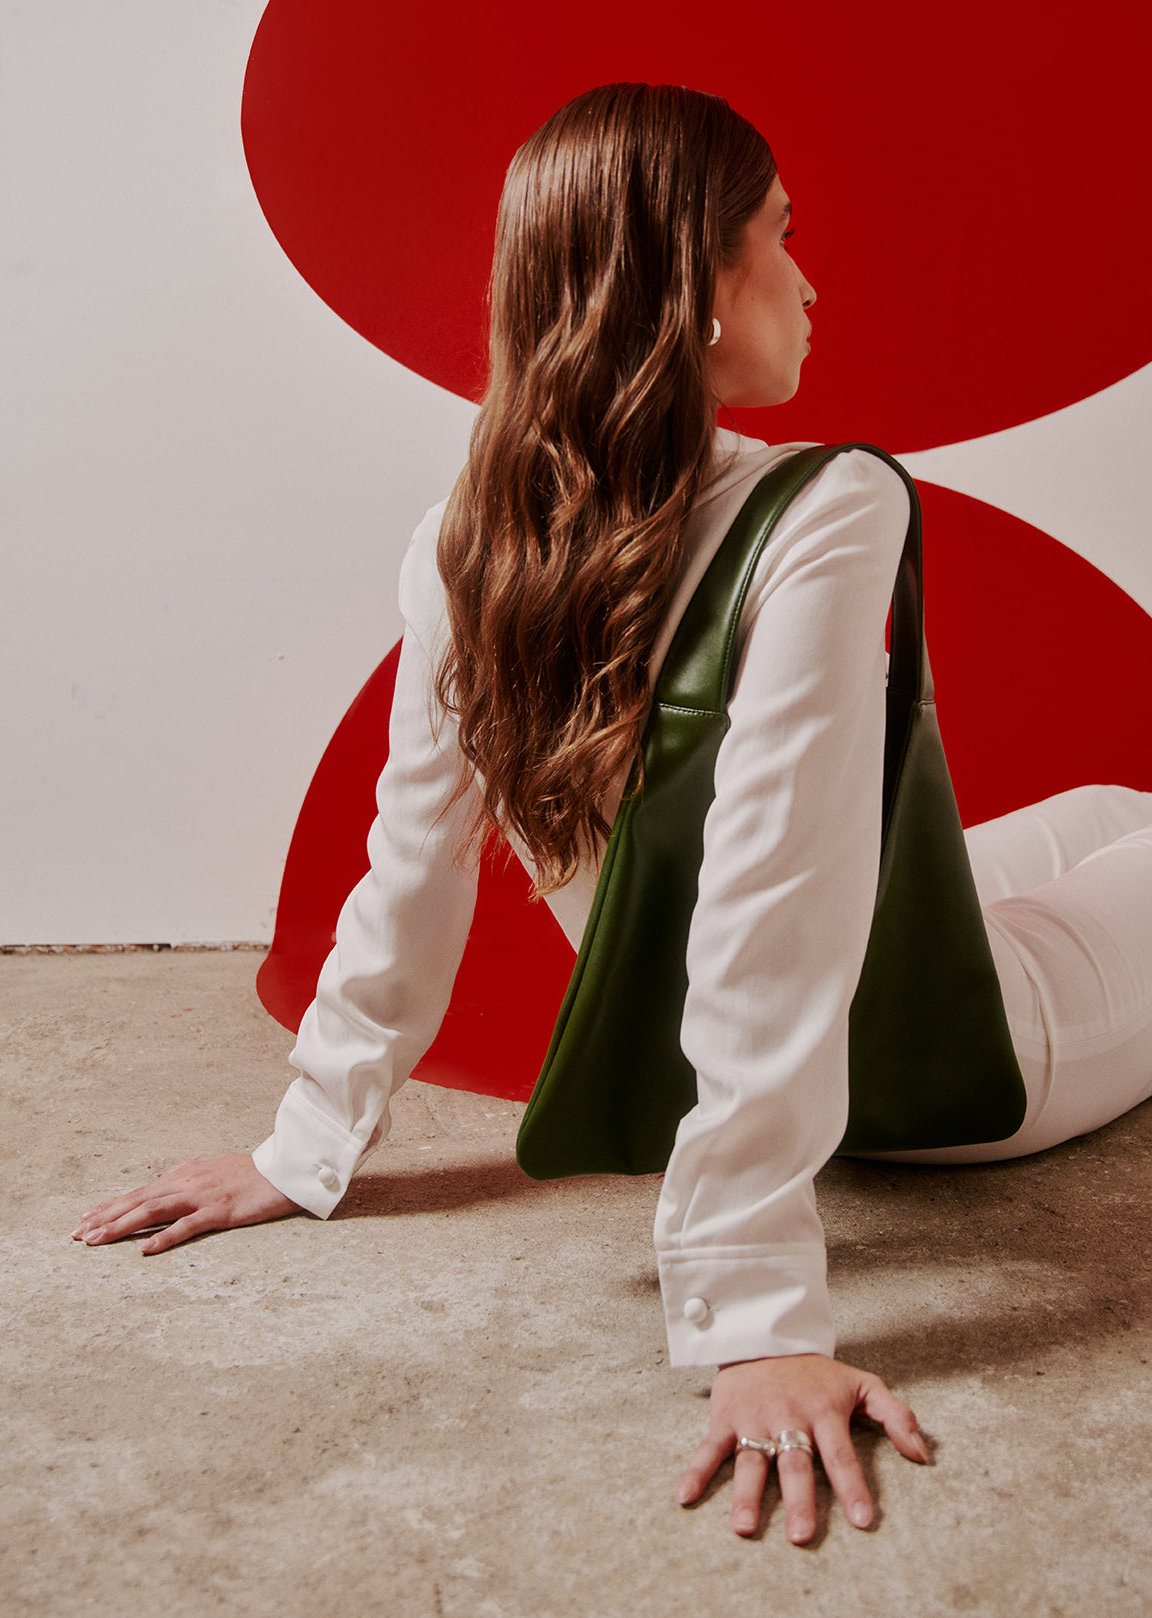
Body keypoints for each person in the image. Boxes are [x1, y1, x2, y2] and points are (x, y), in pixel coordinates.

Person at [71, 83, 1152, 1544]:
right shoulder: (828, 505)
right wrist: (755, 1311)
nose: (810, 273)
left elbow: (413, 866)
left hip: (868, 980)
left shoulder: (471, 540)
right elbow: (773, 895)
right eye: (781, 232)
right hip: (976, 1059)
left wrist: (307, 1138)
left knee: (1108, 802)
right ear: (700, 286)